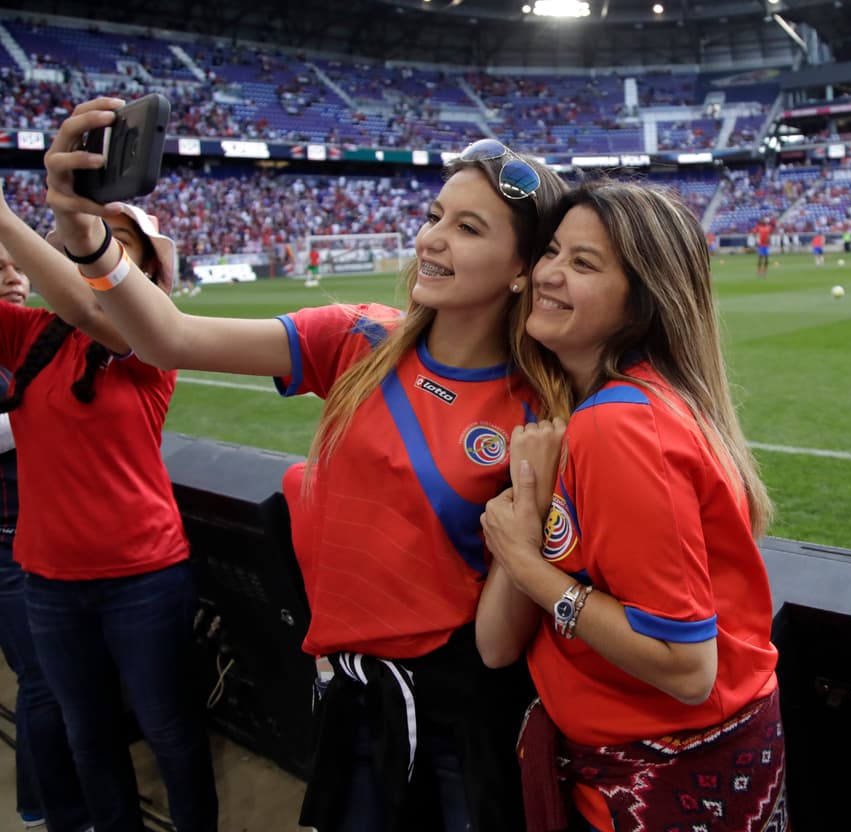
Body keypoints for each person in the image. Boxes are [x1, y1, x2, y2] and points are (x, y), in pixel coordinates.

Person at [44, 99, 568, 831]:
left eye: (468, 227)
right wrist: (81, 230)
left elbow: (500, 635)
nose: (433, 239)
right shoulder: (357, 339)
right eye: (434, 216)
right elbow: (168, 337)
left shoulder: (540, 410)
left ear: (521, 270)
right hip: (348, 687)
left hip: (458, 712)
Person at [477, 180, 789, 832]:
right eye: (553, 251)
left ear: (639, 304)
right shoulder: (622, 409)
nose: (549, 275)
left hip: (663, 776)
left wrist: (526, 563)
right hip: (676, 764)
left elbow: (686, 667)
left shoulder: (620, 428)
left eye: (584, 264)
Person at [0, 178, 217, 830]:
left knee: (171, 732)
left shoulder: (152, 347)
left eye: (113, 244)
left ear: (147, 275)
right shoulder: (31, 336)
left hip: (142, 577)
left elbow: (96, 312)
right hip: (49, 582)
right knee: (87, 735)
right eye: (78, 239)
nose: (87, 248)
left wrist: (7, 219)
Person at [0, 240, 91, 832]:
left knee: (52, 681)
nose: (13, 275)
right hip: (8, 543)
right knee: (43, 682)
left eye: (16, 264)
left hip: (37, 537)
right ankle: (49, 808)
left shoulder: (31, 337)